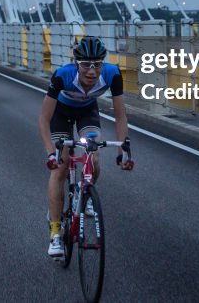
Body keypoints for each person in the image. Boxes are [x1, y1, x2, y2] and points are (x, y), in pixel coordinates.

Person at [38, 35, 133, 259]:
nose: (92, 72)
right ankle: (56, 233)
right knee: (60, 168)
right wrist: (51, 153)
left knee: (94, 156)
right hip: (61, 113)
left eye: (97, 65)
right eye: (86, 65)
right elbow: (44, 119)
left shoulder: (112, 74)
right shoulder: (63, 75)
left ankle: (84, 192)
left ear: (103, 63)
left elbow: (120, 115)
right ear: (76, 63)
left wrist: (122, 151)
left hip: (87, 112)